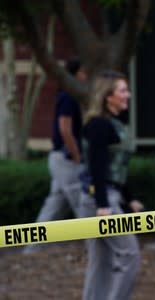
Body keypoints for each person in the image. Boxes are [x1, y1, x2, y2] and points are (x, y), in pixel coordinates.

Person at [79, 70, 142, 300]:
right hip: (100, 199)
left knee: (102, 263)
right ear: (108, 96)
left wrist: (130, 197)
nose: (129, 95)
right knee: (129, 254)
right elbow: (96, 167)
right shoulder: (99, 125)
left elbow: (115, 168)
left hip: (103, 197)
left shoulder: (112, 124)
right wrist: (103, 206)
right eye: (123, 91)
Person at [23, 57, 87, 254]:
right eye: (83, 72)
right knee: (83, 203)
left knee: (54, 207)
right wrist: (76, 155)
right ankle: (99, 247)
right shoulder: (68, 98)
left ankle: (32, 250)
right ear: (75, 74)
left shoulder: (67, 97)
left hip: (60, 159)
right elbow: (65, 130)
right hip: (66, 159)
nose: (86, 76)